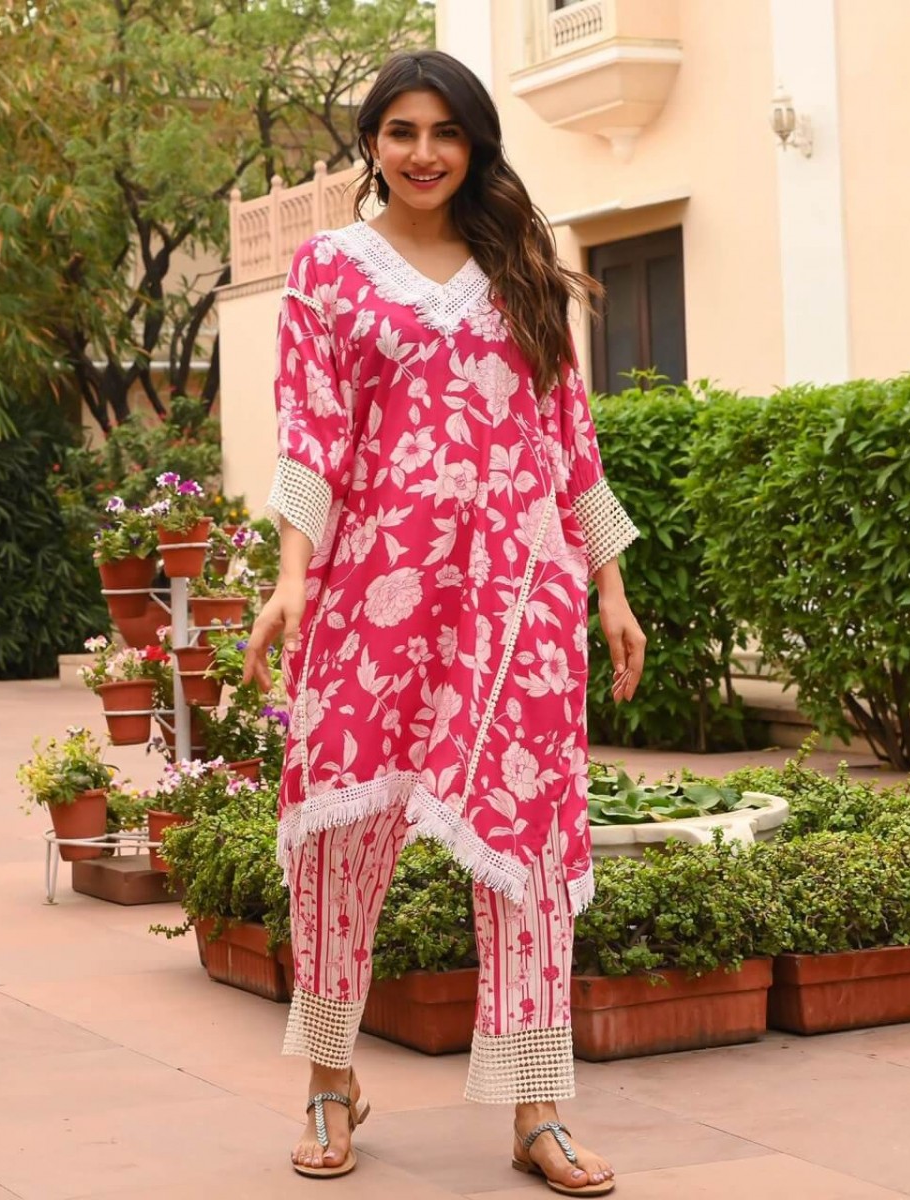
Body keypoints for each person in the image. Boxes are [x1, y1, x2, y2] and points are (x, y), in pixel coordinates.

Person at [243, 48, 645, 1196]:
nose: (424, 153)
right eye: (402, 131)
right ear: (372, 142)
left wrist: (610, 584)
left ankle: (537, 1109)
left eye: (446, 132)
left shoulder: (524, 267)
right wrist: (291, 576)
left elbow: (571, 437)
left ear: (475, 142)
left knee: (527, 848)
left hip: (517, 599)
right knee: (336, 833)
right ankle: (330, 1082)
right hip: (372, 592)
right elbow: (310, 433)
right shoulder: (328, 271)